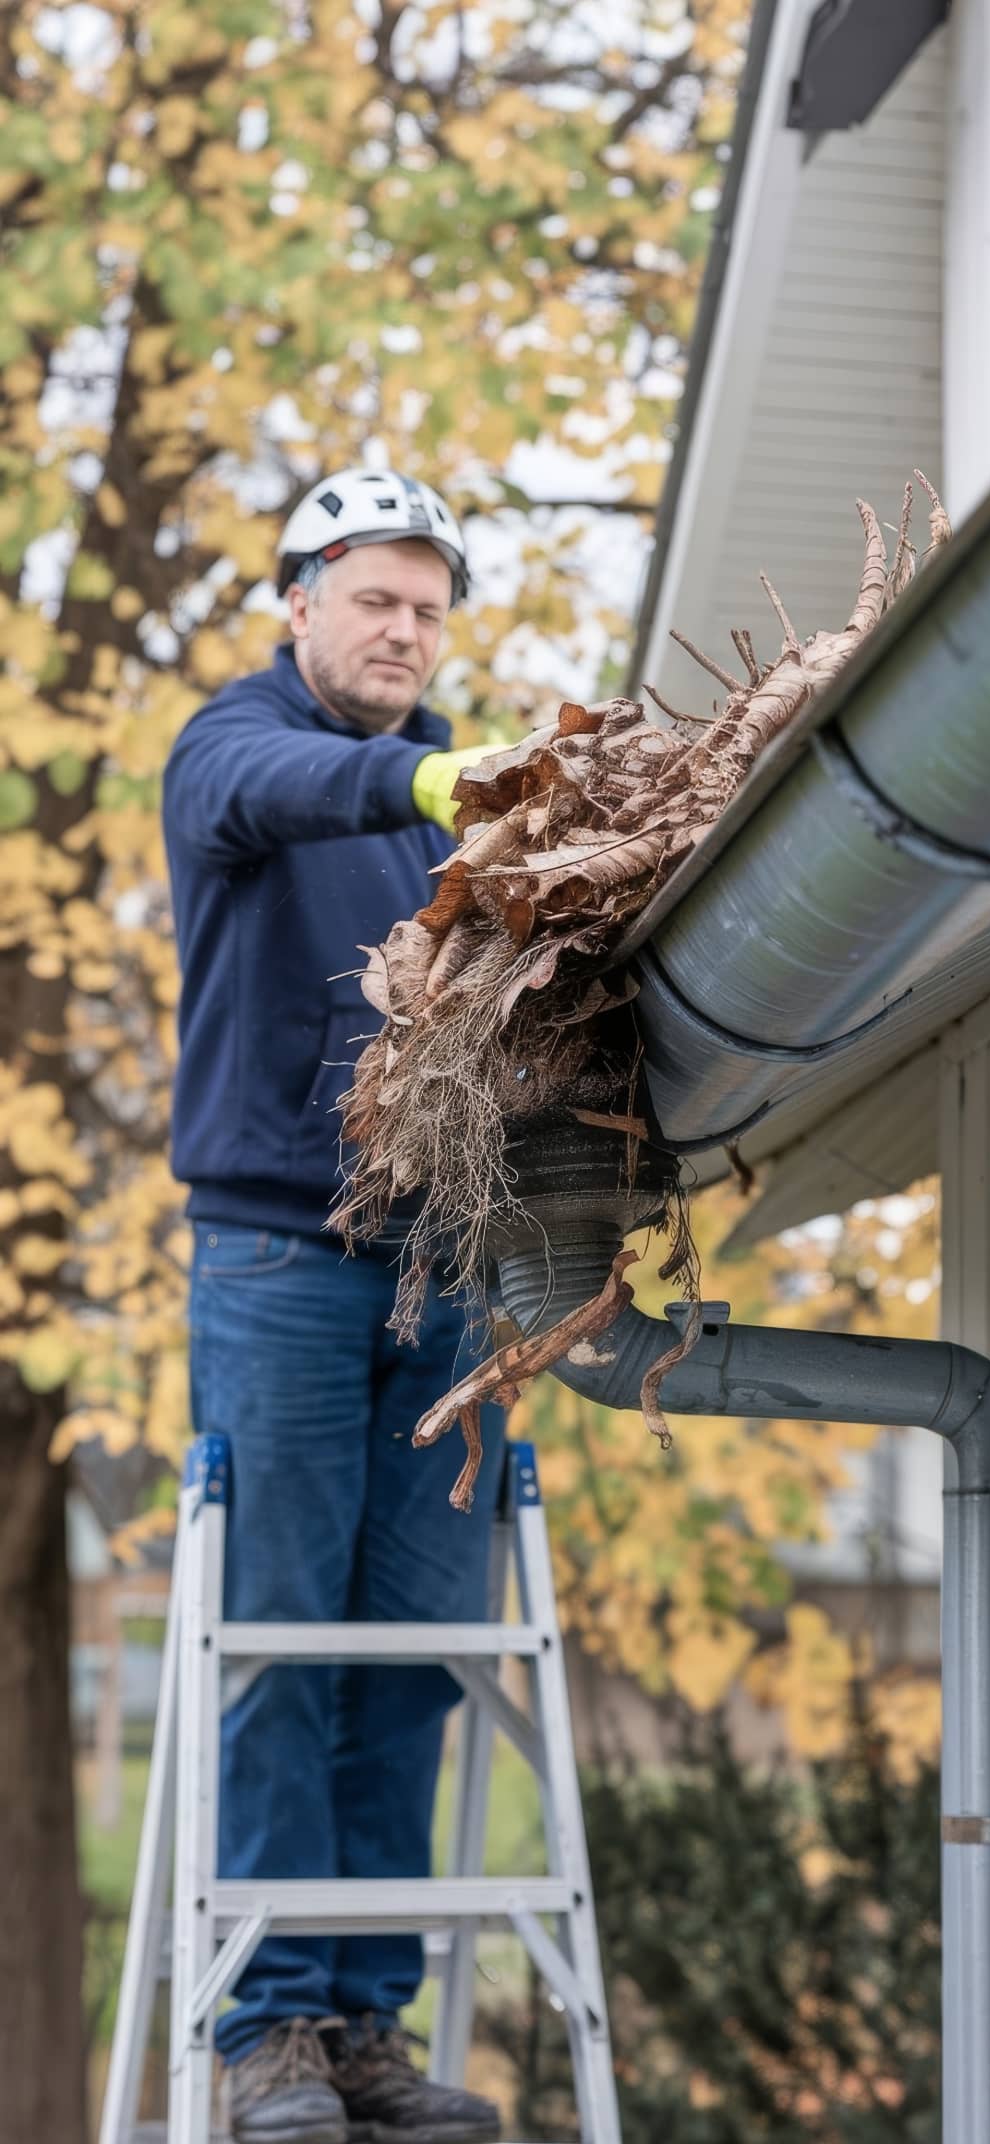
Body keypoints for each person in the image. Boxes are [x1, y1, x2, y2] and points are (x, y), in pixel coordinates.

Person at [163, 468, 508, 2144]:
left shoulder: (457, 800)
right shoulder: (234, 750)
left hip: (449, 1277)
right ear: (297, 601)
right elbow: (286, 790)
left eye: (430, 610)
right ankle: (266, 2030)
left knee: (419, 1658)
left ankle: (367, 2022)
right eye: (375, 598)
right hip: (278, 1264)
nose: (405, 631)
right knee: (279, 1649)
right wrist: (427, 774)